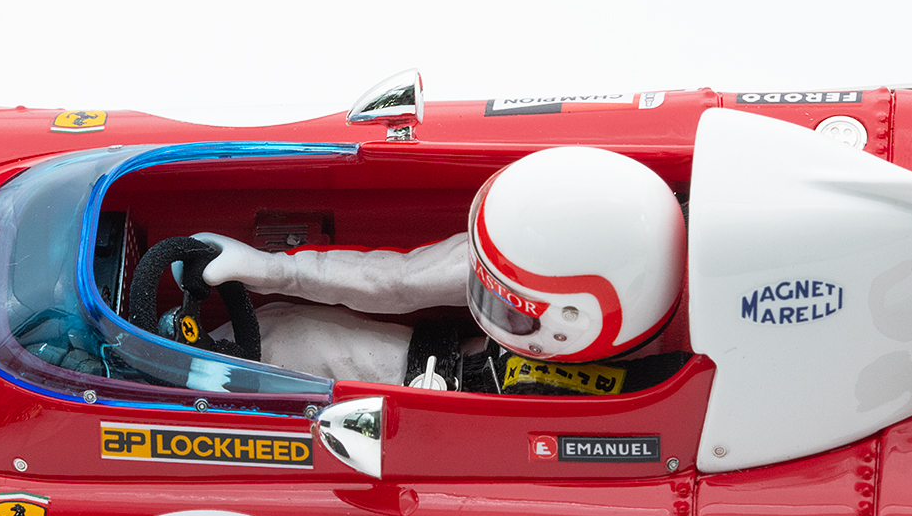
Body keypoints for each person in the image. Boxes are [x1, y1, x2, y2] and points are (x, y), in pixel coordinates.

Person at [194, 145, 688, 394]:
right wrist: (276, 271)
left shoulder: (662, 384)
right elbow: (397, 281)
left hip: (465, 392)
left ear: (575, 323)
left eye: (505, 307)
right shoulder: (525, 251)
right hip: (453, 363)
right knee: (281, 329)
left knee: (284, 343)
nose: (480, 295)